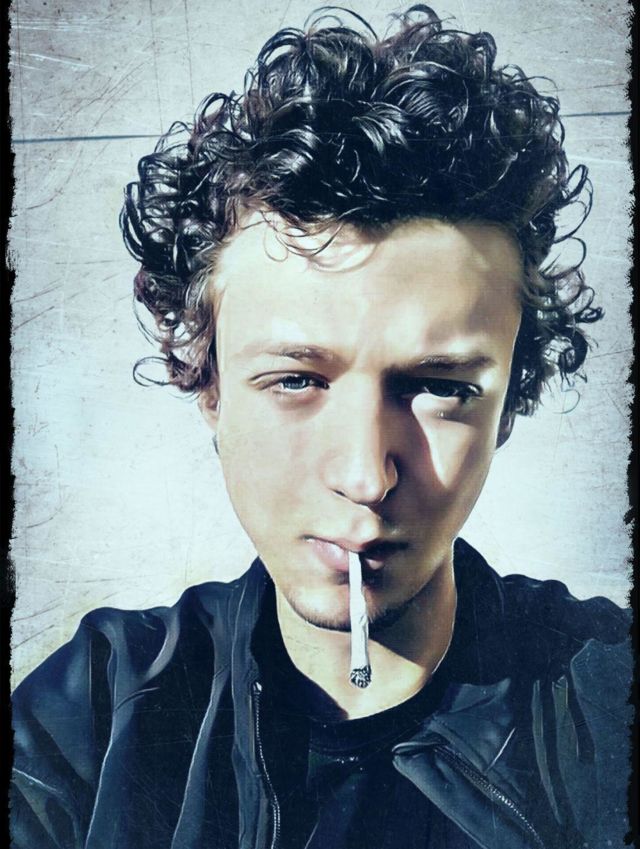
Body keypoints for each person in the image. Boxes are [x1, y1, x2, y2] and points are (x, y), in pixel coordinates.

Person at [11, 6, 631, 848]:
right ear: (211, 387)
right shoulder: (88, 723)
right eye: (296, 380)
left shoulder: (609, 696)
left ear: (509, 402)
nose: (366, 475)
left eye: (440, 388)